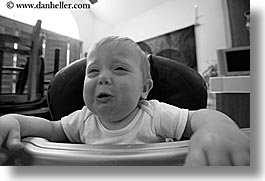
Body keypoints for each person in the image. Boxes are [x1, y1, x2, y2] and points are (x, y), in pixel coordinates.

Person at [0, 36, 249, 166]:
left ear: (144, 88)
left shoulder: (153, 114)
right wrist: (15, 122)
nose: (103, 79)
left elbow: (198, 118)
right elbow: (51, 128)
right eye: (93, 71)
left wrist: (219, 129)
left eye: (119, 69)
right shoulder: (84, 119)